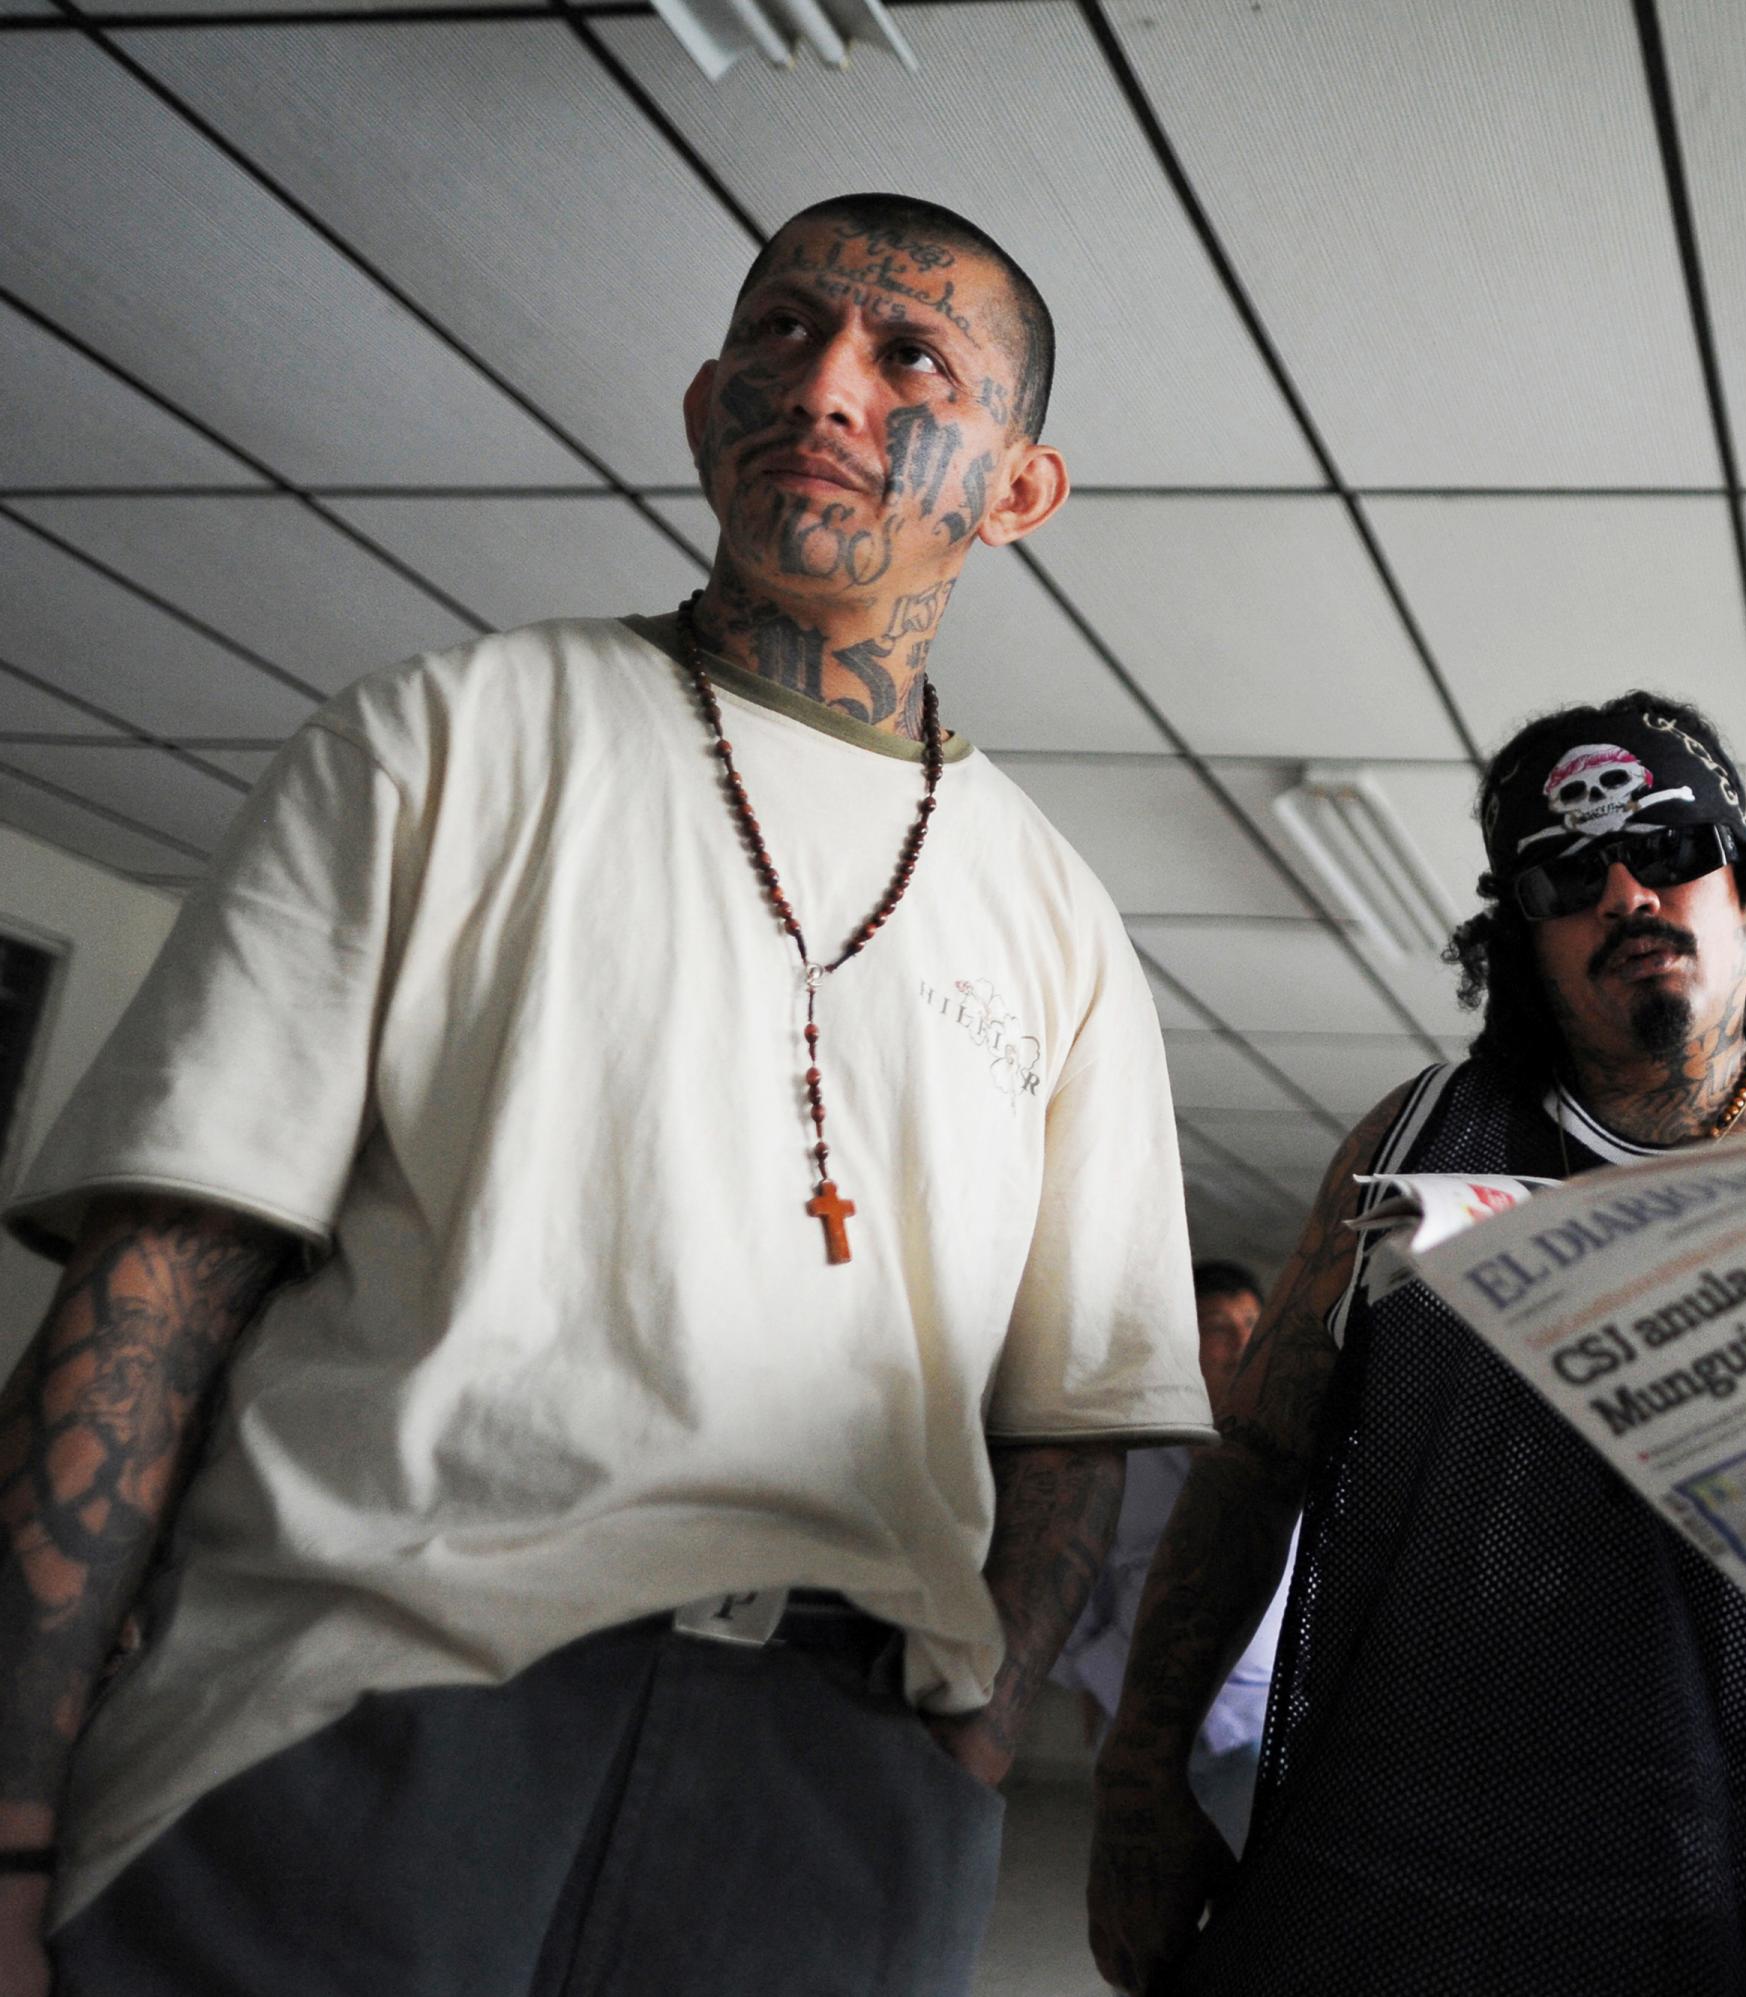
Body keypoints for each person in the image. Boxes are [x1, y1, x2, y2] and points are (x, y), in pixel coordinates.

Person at [0, 192, 1214, 1997]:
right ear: (703, 400)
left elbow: (1066, 1425)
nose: (826, 386)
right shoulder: (445, 735)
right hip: (362, 1716)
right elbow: (155, 1290)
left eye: (908, 359)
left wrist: (967, 1746)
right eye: (781, 336)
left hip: (834, 1787)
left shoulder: (1061, 922)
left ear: (1020, 486)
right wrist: (13, 1806)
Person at [1086, 695, 1746, 1995]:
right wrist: (1140, 1780)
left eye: (1673, 849)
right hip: (1389, 1841)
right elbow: (1254, 1465)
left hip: (1723, 1876)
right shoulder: (1416, 1137)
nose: (1628, 890)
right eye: (1568, 875)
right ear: (1522, 941)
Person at [1053, 1261, 1288, 1852]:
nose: (1239, 1343)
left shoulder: (1296, 1450)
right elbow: (1084, 1578)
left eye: (1251, 1324)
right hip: (1142, 1726)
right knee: (1149, 1901)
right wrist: (1092, 1672)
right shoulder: (1133, 1458)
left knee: (1254, 1892)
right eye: (1217, 1326)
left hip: (1259, 1724)